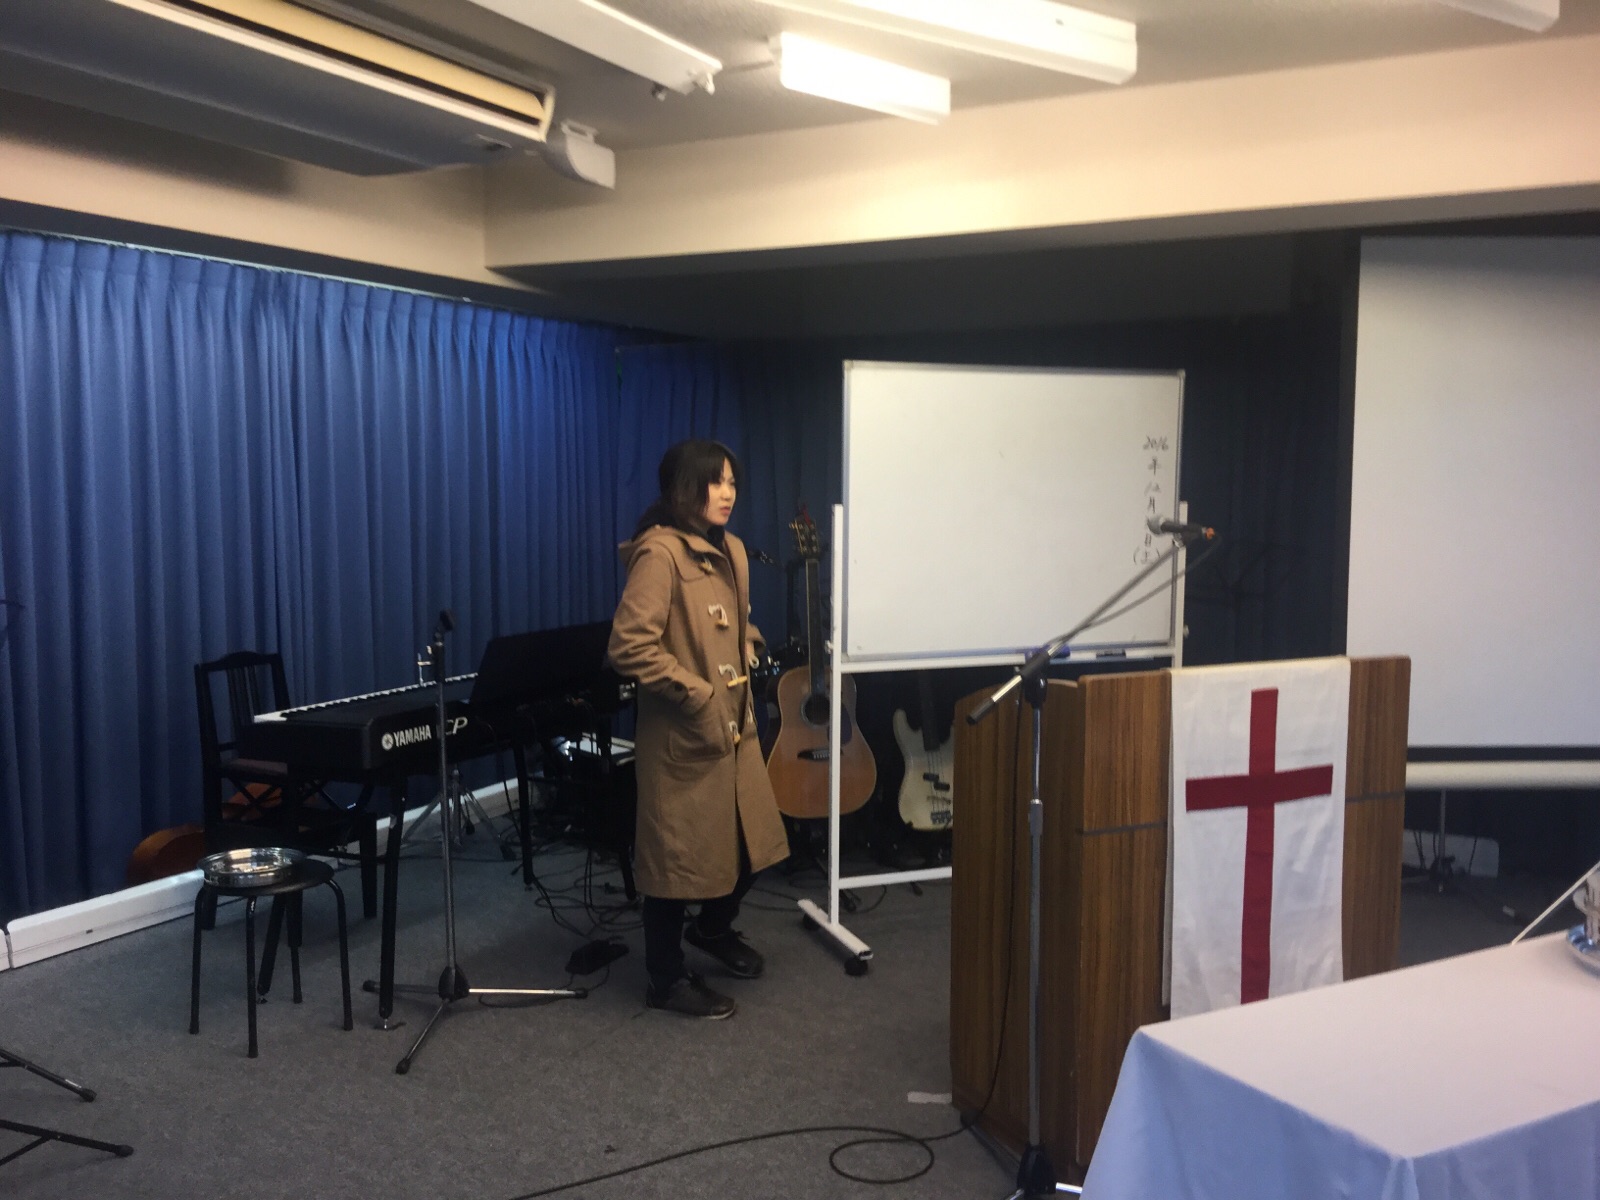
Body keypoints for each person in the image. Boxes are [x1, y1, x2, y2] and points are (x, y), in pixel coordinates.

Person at [608, 440, 789, 1019]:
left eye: (732, 482)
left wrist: (749, 644)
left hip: (737, 729)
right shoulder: (659, 554)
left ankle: (712, 929)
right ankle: (664, 980)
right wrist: (698, 693)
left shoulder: (730, 548)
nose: (727, 493)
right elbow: (628, 646)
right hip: (685, 736)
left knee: (753, 844)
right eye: (715, 482)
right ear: (682, 488)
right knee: (676, 862)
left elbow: (733, 621)